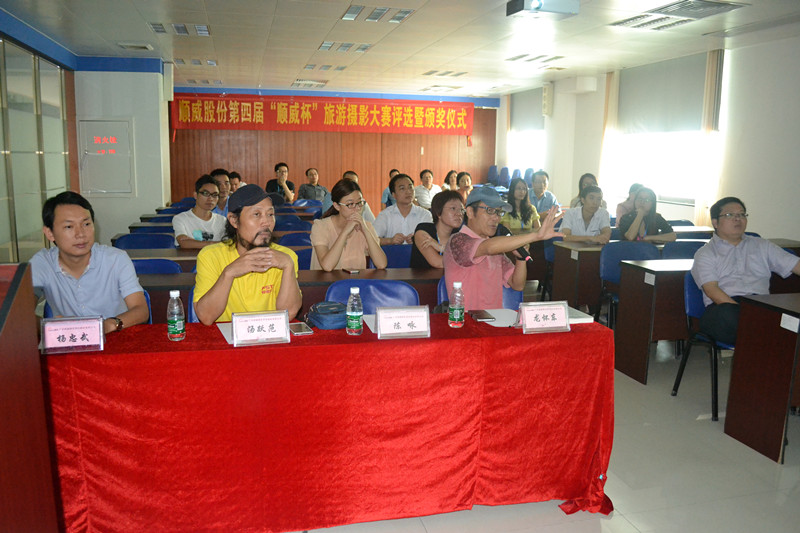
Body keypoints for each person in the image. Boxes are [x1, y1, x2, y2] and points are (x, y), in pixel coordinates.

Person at [30, 191, 149, 333]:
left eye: (86, 224)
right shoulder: (42, 264)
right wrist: (51, 328)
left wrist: (108, 325)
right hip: (69, 342)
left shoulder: (116, 259)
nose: (80, 234)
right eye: (69, 227)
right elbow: (20, 314)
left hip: (115, 338)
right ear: (50, 233)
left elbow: (141, 310)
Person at [692, 197, 800, 345]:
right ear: (715, 222)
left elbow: (796, 265)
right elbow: (712, 291)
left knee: (786, 316)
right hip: (724, 308)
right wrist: (746, 313)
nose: (738, 219)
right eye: (730, 215)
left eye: (742, 214)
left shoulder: (762, 245)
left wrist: (755, 313)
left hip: (761, 305)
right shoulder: (705, 253)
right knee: (730, 315)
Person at [194, 184, 302, 324]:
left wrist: (288, 266)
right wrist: (229, 273)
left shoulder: (285, 257)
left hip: (269, 335)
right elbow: (206, 317)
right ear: (234, 220)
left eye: (270, 214)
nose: (266, 222)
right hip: (225, 336)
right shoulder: (211, 256)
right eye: (257, 214)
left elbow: (288, 314)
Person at [443, 187, 562, 310]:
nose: (496, 218)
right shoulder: (457, 241)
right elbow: (488, 248)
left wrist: (520, 259)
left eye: (499, 212)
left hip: (495, 319)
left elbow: (517, 285)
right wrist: (536, 235)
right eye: (490, 210)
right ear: (470, 212)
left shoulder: (496, 250)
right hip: (464, 320)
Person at [310, 179, 386, 271]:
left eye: (359, 203)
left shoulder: (366, 226)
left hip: (354, 280)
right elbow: (327, 266)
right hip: (325, 280)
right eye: (350, 204)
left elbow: (381, 264)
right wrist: (345, 232)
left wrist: (366, 230)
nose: (357, 208)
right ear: (337, 206)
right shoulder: (320, 226)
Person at [373, 173, 433, 245]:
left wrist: (418, 239)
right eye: (402, 188)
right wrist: (390, 241)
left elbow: (432, 240)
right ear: (393, 195)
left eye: (410, 187)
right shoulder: (385, 215)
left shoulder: (425, 214)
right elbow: (372, 239)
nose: (408, 192)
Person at [411, 190, 464, 268]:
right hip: (422, 276)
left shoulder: (460, 235)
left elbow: (469, 259)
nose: (459, 213)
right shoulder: (423, 231)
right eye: (453, 208)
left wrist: (441, 248)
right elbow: (438, 262)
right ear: (439, 213)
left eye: (461, 210)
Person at [172, 175, 227, 248]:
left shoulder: (222, 221)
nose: (210, 198)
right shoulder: (180, 218)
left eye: (215, 195)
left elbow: (229, 244)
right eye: (205, 193)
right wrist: (216, 244)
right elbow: (183, 242)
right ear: (195, 195)